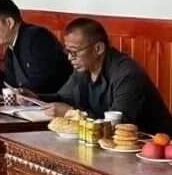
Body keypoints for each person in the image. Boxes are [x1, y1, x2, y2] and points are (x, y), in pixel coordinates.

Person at [43, 18, 172, 134]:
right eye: (68, 51)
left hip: (150, 146)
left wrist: (70, 113)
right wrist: (33, 98)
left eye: (75, 52)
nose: (70, 58)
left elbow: (116, 125)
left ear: (98, 49)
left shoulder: (127, 75)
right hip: (102, 142)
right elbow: (63, 98)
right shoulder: (84, 68)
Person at [0, 0, 71, 94]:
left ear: (9, 23)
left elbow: (44, 83)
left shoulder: (37, 38)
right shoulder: (10, 48)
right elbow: (10, 84)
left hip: (53, 102)